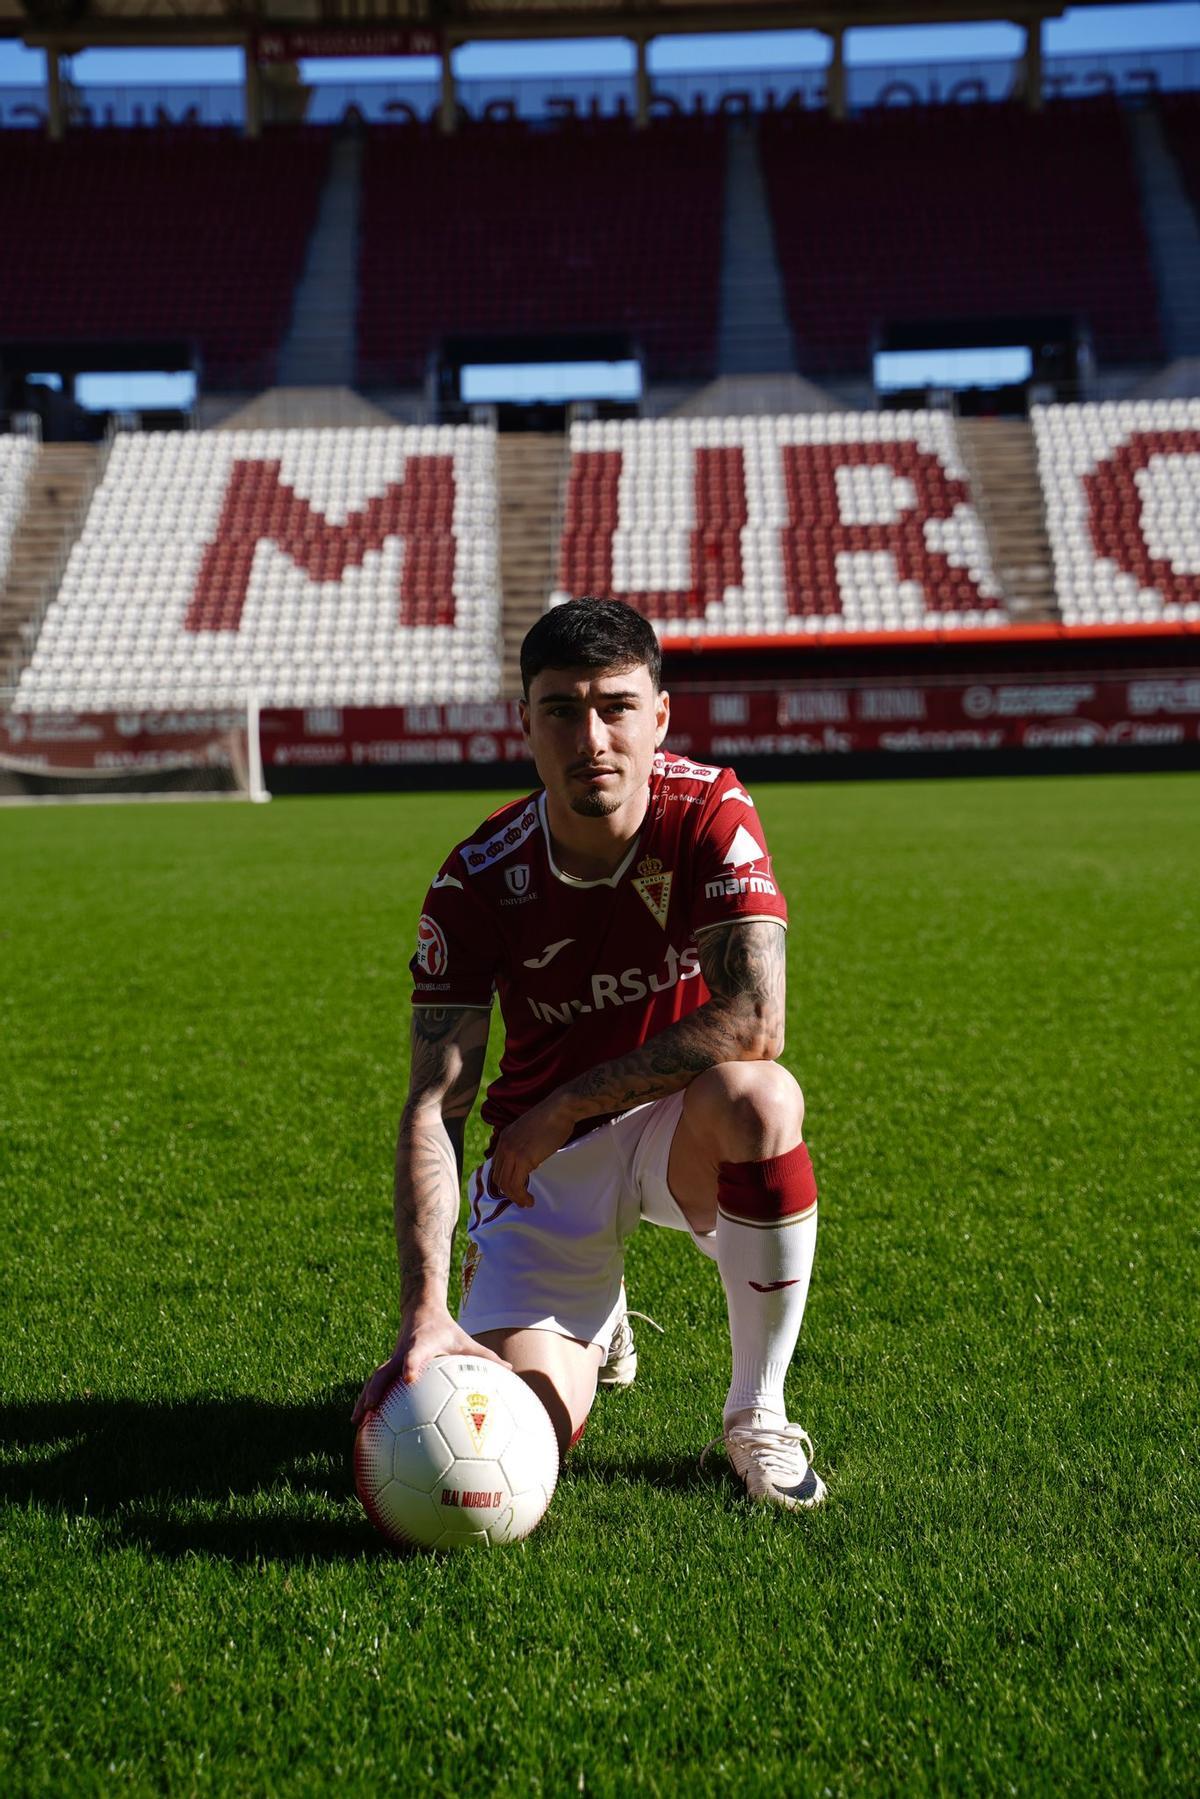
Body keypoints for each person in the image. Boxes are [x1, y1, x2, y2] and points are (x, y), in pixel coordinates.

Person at [353, 598, 825, 1509]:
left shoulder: (709, 811)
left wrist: (562, 1104)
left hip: (663, 1128)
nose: (592, 737)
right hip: (547, 1173)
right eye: (562, 709)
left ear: (660, 716)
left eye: (615, 705)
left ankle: (758, 1413)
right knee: (519, 1436)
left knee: (760, 1094)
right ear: (524, 722)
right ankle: (591, 1323)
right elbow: (435, 1106)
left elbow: (757, 1020)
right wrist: (424, 1310)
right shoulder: (477, 876)